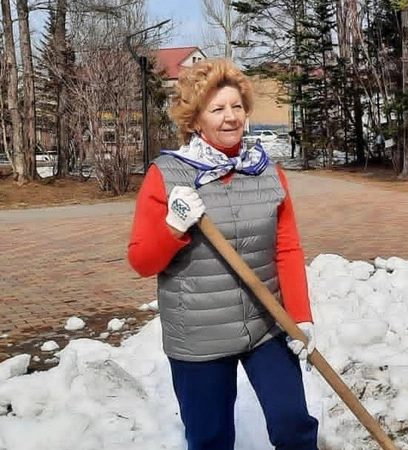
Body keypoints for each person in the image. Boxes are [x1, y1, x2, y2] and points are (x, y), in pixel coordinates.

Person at [127, 59, 319, 450]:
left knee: (293, 425)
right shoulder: (167, 174)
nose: (230, 117)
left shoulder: (267, 173)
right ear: (195, 120)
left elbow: (286, 248)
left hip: (267, 325)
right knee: (210, 439)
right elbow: (142, 261)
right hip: (199, 336)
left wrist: (300, 317)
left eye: (236, 107)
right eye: (217, 109)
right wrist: (173, 228)